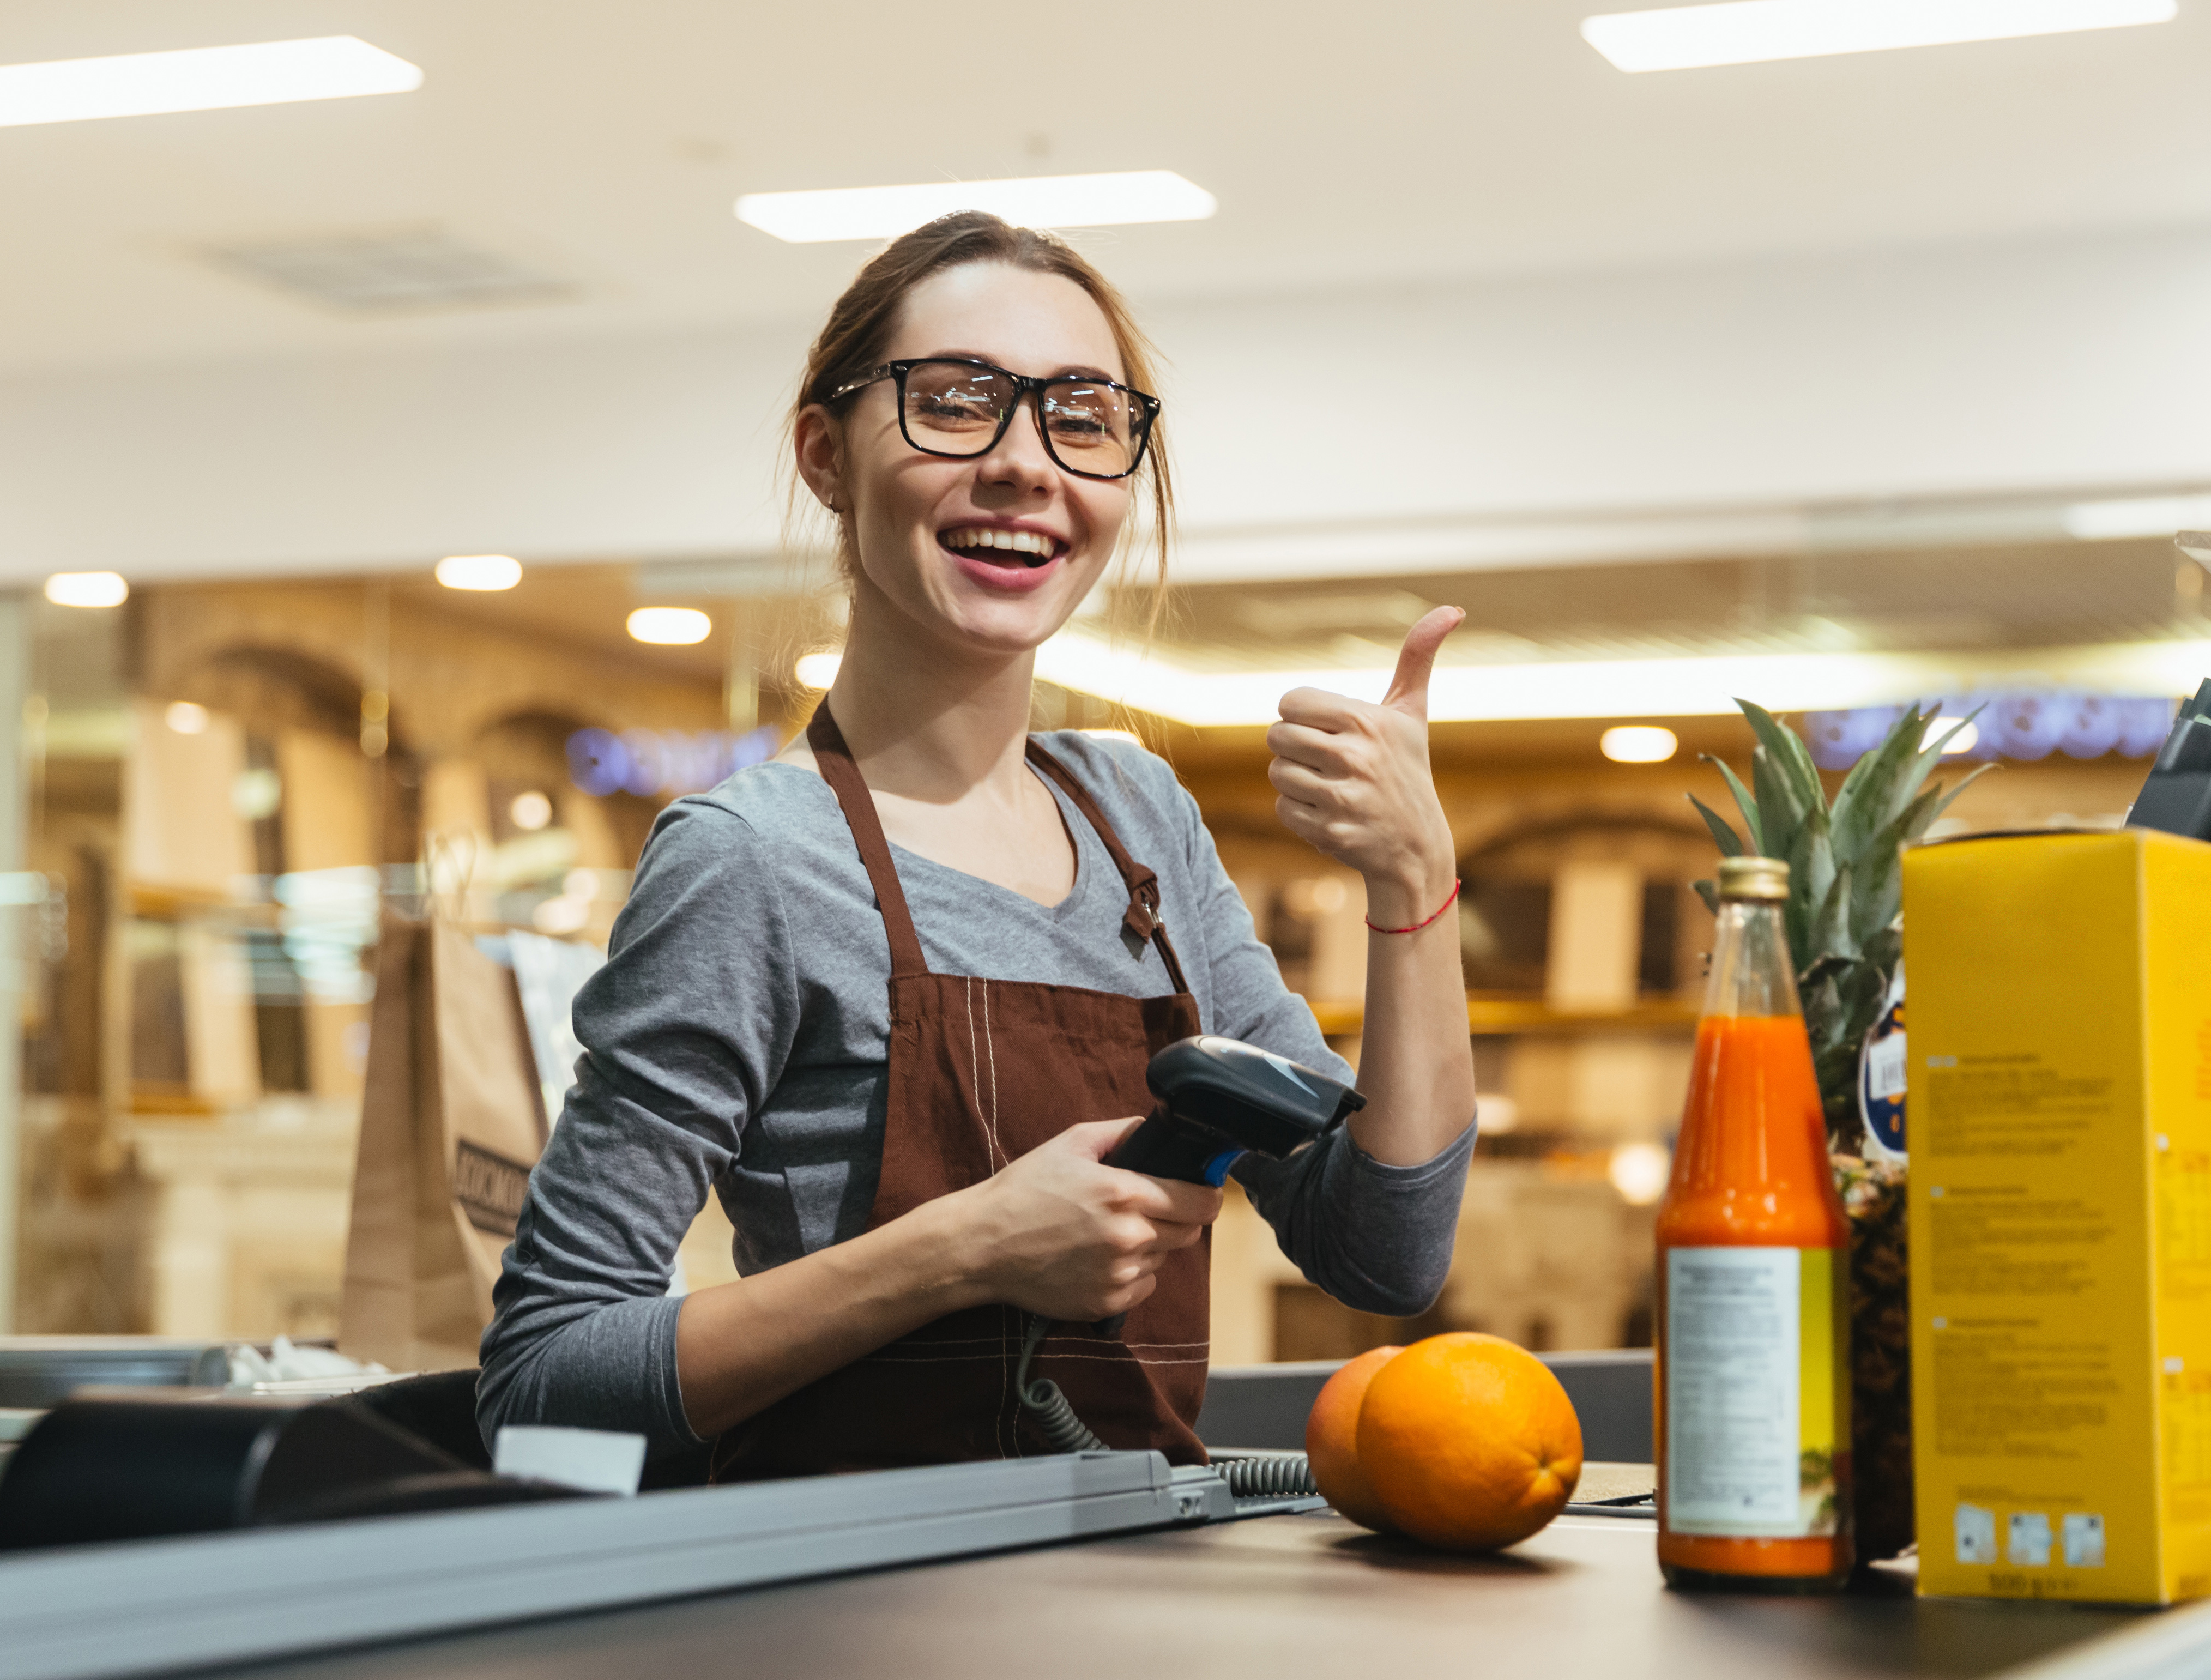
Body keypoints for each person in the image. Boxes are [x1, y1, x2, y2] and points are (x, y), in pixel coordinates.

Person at [478, 213, 1478, 1478]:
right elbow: (544, 1384)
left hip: (1127, 1597)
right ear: (824, 456)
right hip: (851, 1617)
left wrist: (1412, 880)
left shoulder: (1138, 822)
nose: (1024, 463)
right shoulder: (753, 859)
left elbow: (1382, 1253)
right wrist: (968, 1246)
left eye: (1082, 416)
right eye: (953, 403)